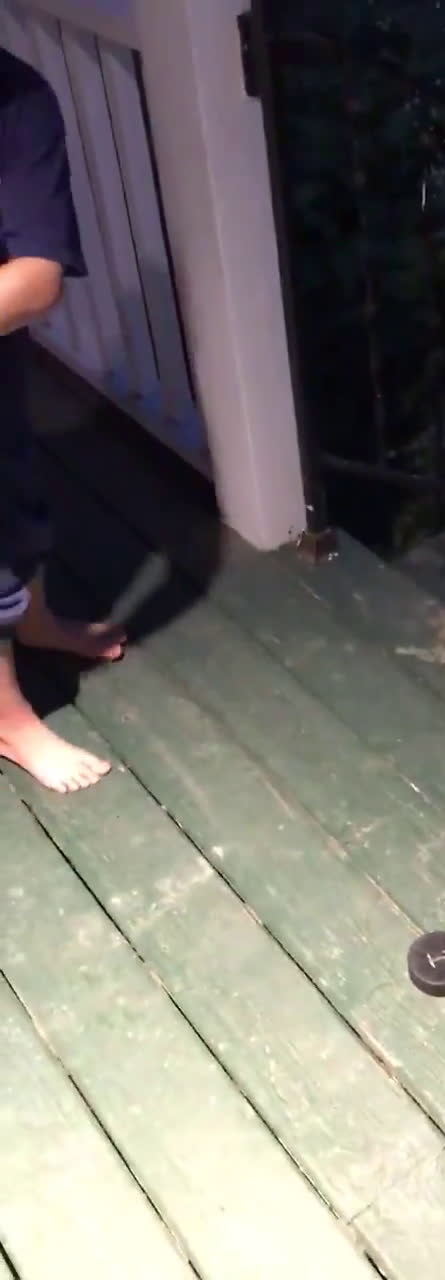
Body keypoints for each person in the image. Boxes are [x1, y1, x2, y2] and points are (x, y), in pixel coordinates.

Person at [1, 47, 125, 792]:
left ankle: (36, 619)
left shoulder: (17, 97)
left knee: (15, 483)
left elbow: (38, 276)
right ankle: (8, 717)